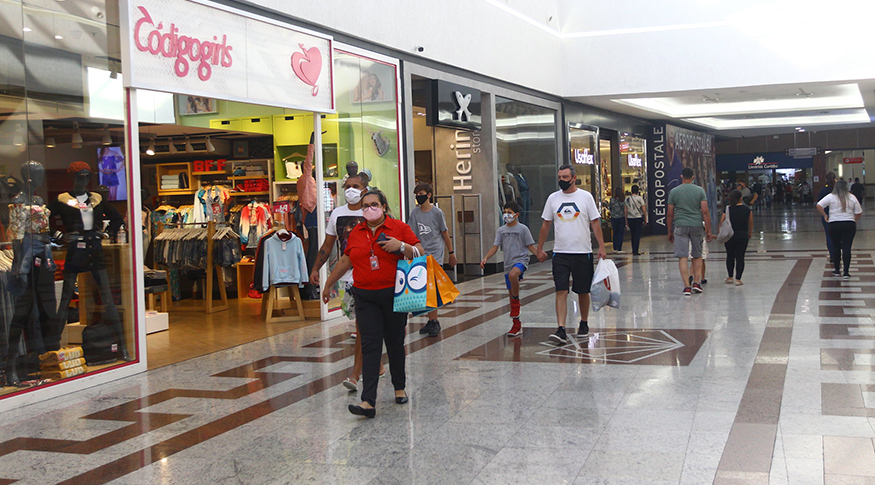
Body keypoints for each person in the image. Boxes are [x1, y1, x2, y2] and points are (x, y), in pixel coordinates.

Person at [322, 190, 424, 418]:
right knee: (369, 345)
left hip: (394, 295)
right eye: (365, 206)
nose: (369, 209)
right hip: (365, 296)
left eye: (374, 204)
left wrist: (401, 246)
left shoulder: (398, 228)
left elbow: (420, 252)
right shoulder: (356, 232)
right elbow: (347, 259)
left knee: (395, 343)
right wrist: (329, 283)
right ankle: (368, 401)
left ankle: (399, 386)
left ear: (384, 206)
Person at [309, 174, 382, 391]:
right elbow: (328, 245)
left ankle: (355, 374)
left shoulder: (372, 212)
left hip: (370, 279)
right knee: (364, 325)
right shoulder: (337, 214)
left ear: (364, 188)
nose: (351, 190)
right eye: (347, 186)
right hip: (347, 279)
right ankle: (377, 364)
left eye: (356, 186)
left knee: (362, 327)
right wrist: (316, 268)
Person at [536, 164, 606, 345]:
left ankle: (584, 322)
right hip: (561, 253)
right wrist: (540, 247)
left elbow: (595, 223)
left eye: (565, 177)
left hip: (582, 252)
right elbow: (546, 224)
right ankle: (561, 329)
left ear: (574, 178)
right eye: (560, 177)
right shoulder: (553, 198)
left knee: (583, 291)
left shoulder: (585, 197)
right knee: (561, 290)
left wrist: (602, 247)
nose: (562, 180)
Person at [480, 201, 537, 337]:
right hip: (508, 263)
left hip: (521, 260)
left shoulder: (523, 229)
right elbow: (495, 246)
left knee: (513, 276)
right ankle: (516, 324)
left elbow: (530, 245)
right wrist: (486, 258)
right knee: (510, 288)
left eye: (509, 213)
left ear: (516, 215)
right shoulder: (501, 230)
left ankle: (516, 300)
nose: (506, 215)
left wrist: (538, 254)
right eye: (505, 212)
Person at [407, 183, 456, 337]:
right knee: (423, 289)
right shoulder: (415, 214)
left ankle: (434, 321)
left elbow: (444, 232)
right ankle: (431, 319)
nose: (418, 196)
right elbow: (411, 234)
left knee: (431, 288)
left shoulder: (437, 213)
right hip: (421, 253)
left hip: (435, 254)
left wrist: (451, 252)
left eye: (421, 193)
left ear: (428, 194)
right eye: (416, 194)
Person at [667, 167, 712, 296]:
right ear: (693, 177)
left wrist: (669, 230)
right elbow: (705, 211)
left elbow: (670, 214)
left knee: (683, 256)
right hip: (696, 225)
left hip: (680, 225)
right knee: (697, 255)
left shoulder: (674, 192)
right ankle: (696, 283)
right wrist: (708, 230)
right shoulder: (699, 191)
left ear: (681, 177)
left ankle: (687, 286)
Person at [817, 180, 863, 280]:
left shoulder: (831, 196)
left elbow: (819, 205)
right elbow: (859, 212)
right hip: (849, 224)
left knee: (835, 246)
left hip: (834, 224)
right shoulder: (851, 197)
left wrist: (825, 215)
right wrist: (853, 220)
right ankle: (846, 272)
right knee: (847, 247)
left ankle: (837, 270)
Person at [720, 190, 753, 286]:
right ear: (741, 198)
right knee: (740, 257)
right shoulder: (747, 210)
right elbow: (750, 222)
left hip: (729, 236)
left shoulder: (727, 209)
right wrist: (749, 233)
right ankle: (738, 279)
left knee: (730, 255)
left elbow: (721, 222)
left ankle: (730, 277)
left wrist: (721, 233)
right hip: (742, 235)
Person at [817, 172, 837, 263]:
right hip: (838, 215)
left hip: (827, 215)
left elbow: (819, 204)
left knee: (829, 236)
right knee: (838, 236)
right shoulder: (838, 190)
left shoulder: (823, 190)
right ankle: (838, 254)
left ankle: (832, 256)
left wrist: (824, 214)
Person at [625, 185, 647, 255]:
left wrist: (626, 220)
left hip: (630, 218)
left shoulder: (627, 199)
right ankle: (636, 250)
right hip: (638, 218)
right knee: (637, 234)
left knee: (632, 234)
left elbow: (625, 210)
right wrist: (645, 218)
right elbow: (643, 210)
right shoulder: (640, 198)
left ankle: (633, 249)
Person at [609, 187, 627, 254]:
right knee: (620, 233)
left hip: (614, 218)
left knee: (615, 233)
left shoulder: (612, 200)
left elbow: (610, 207)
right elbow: (624, 209)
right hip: (621, 217)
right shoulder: (622, 200)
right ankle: (619, 248)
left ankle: (615, 248)